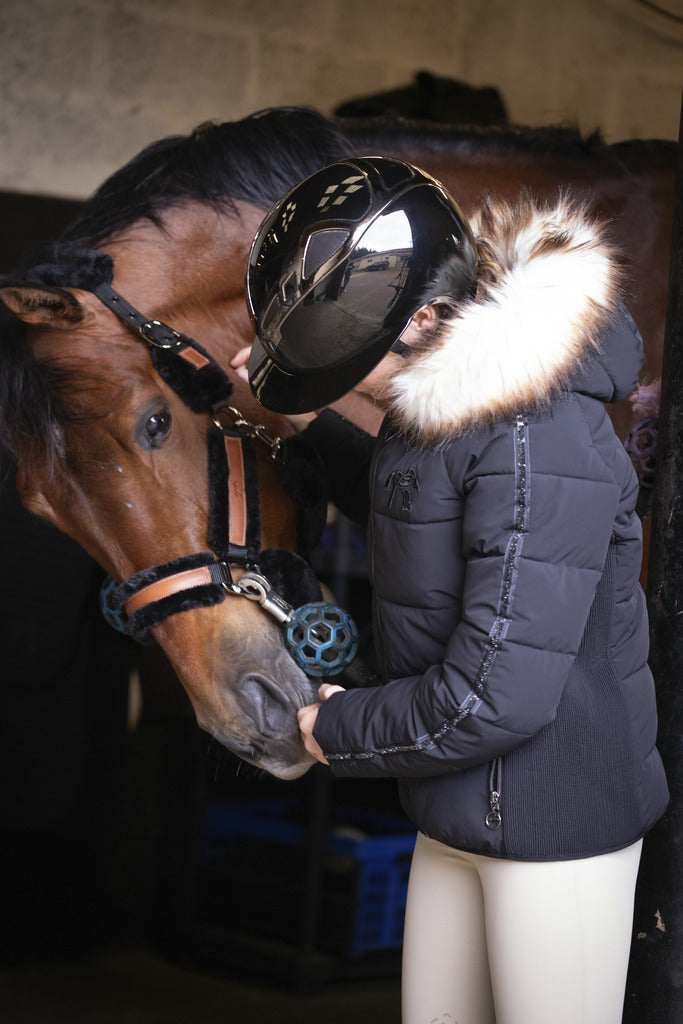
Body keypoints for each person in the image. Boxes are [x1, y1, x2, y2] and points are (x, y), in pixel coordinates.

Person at [231, 156, 669, 1024]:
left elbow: (493, 696)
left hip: (553, 829)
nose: (360, 392)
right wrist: (303, 419)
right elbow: (419, 513)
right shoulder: (454, 414)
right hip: (453, 809)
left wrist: (335, 730)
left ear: (427, 319)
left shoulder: (537, 434)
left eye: (355, 368)